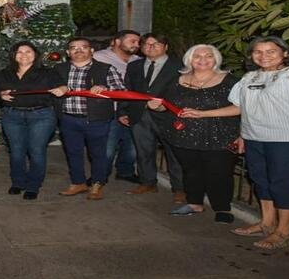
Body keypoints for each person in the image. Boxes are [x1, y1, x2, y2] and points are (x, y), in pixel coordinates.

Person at [183, 36, 289, 250]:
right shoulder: (249, 78)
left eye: (271, 51)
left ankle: (284, 231)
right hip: (254, 137)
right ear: (252, 55)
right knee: (261, 180)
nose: (264, 56)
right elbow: (239, 108)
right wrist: (203, 115)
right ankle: (267, 223)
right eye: (258, 51)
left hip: (287, 140)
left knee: (282, 183)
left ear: (284, 53)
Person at [146, 44, 240, 224]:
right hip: (183, 136)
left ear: (216, 59)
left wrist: (204, 114)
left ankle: (222, 208)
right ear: (189, 60)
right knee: (191, 172)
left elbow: (241, 108)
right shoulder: (177, 79)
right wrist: (156, 106)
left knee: (219, 173)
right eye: (197, 56)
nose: (203, 59)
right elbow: (166, 103)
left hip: (220, 136)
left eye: (208, 56)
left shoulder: (230, 81)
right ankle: (194, 203)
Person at [53, 37, 125, 200]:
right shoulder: (59, 68)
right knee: (73, 152)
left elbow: (121, 89)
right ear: (68, 52)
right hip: (68, 119)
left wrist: (105, 88)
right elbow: (51, 86)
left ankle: (98, 184)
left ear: (91, 51)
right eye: (73, 48)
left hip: (96, 119)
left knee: (98, 154)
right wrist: (59, 88)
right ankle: (78, 182)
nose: (78, 50)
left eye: (83, 47)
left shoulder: (105, 68)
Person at [0, 41, 67, 200]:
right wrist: (1, 94)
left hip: (41, 116)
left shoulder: (48, 72)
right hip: (12, 116)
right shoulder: (4, 73)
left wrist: (62, 89)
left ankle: (33, 185)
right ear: (14, 56)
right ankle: (18, 182)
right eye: (19, 52)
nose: (23, 55)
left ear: (35, 54)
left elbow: (63, 86)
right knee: (16, 152)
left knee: (36, 151)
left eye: (28, 51)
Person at [121, 33, 185, 202]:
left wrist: (169, 106)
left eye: (156, 44)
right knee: (144, 152)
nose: (151, 47)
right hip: (139, 115)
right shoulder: (134, 65)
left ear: (166, 47)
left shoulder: (180, 66)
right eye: (147, 44)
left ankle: (179, 188)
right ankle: (148, 182)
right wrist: (123, 111)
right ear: (141, 48)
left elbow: (184, 92)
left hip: (168, 116)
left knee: (174, 154)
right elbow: (127, 89)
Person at [93, 30, 141, 183]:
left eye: (138, 42)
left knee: (132, 145)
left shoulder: (138, 61)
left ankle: (125, 171)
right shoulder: (99, 57)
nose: (136, 45)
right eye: (132, 41)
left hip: (133, 109)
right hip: (109, 110)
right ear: (118, 42)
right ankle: (100, 176)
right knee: (108, 147)